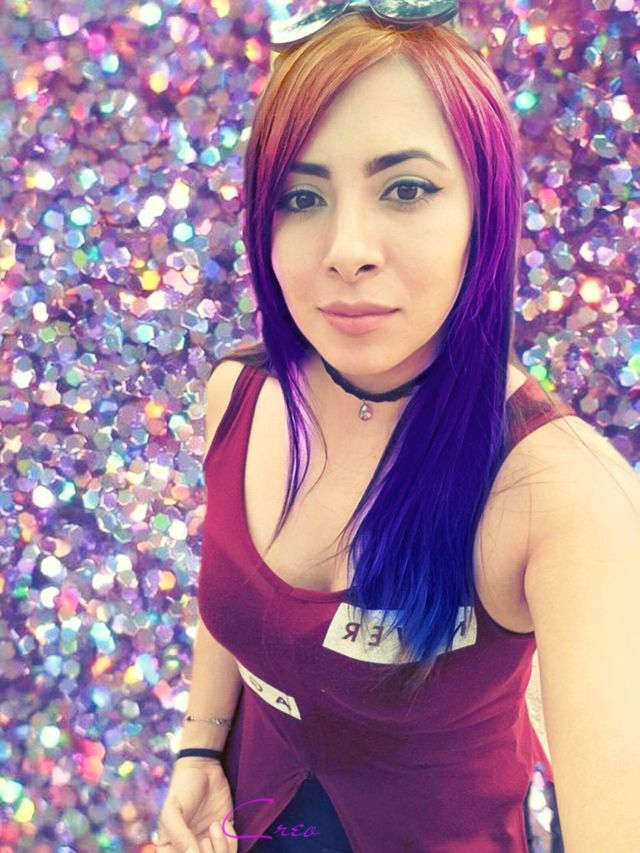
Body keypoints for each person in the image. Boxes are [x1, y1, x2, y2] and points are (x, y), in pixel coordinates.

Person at [154, 3, 640, 852]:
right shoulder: (239, 395)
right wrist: (199, 747)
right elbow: (235, 590)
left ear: (485, 210)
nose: (346, 248)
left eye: (407, 188)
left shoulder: (558, 496)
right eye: (302, 196)